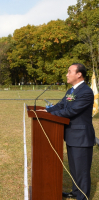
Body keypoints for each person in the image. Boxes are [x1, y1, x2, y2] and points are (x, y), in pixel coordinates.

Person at [42, 63, 95, 200]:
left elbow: (71, 111)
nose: (66, 74)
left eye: (69, 71)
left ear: (79, 74)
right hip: (71, 135)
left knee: (81, 170)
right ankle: (75, 192)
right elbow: (61, 105)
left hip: (81, 137)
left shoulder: (86, 92)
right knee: (74, 168)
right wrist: (46, 111)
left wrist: (50, 115)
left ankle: (82, 197)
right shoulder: (71, 91)